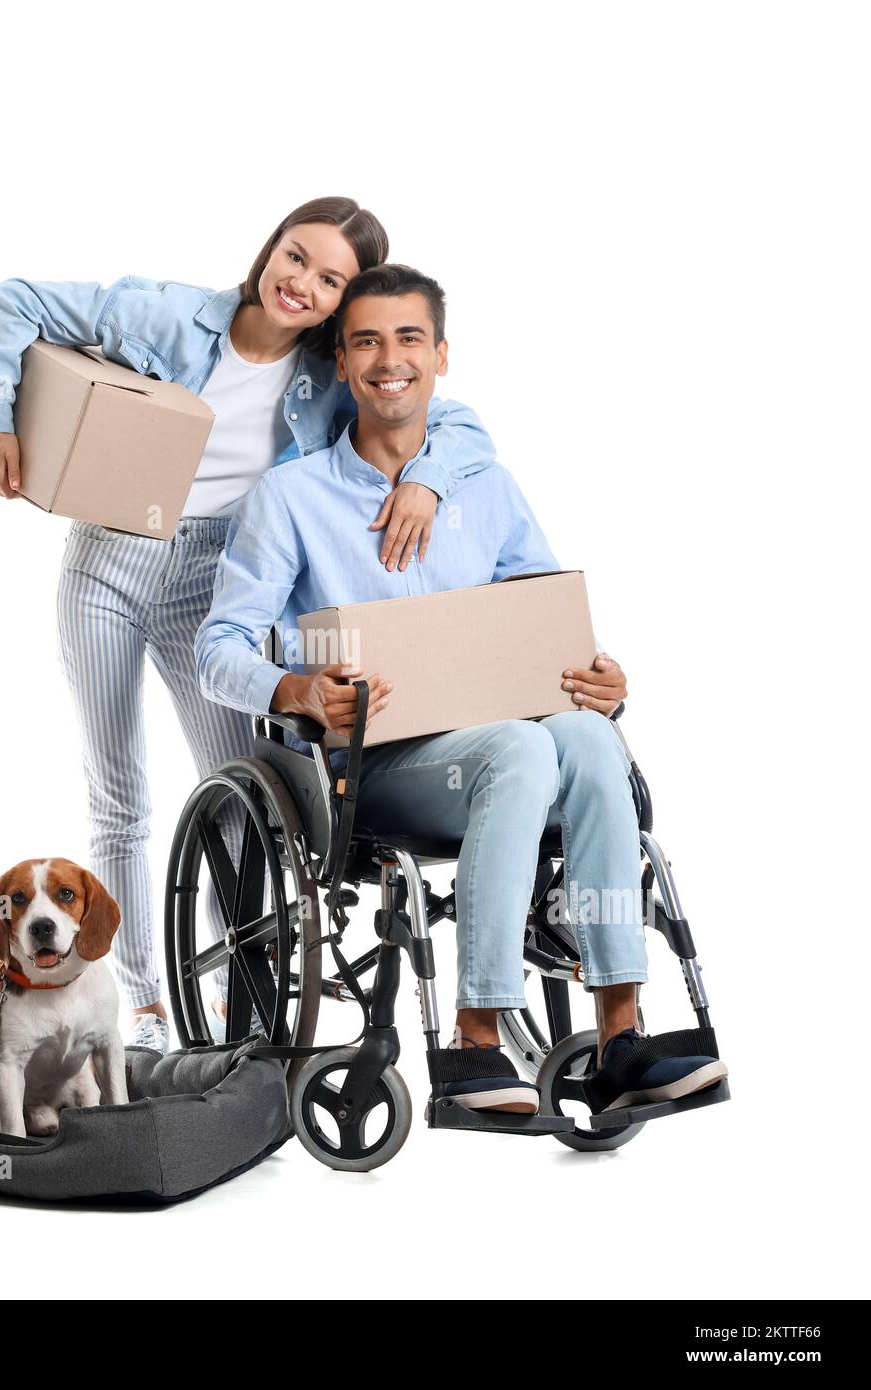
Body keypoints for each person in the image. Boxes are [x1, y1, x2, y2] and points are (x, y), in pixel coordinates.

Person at [195, 263, 730, 1113]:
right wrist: (295, 687)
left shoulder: (484, 486)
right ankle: (474, 1042)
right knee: (519, 747)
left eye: (409, 339)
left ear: (441, 355)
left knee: (590, 739)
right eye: (367, 342)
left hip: (503, 741)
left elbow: (544, 614)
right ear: (342, 362)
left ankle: (620, 1033)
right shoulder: (291, 498)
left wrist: (599, 673)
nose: (389, 360)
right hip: (376, 769)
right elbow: (216, 648)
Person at [0, 201, 499, 1052]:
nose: (301, 284)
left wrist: (427, 479)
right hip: (109, 560)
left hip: (212, 579)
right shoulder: (170, 315)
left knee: (239, 795)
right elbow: (12, 301)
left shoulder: (332, 376)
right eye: (296, 257)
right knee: (120, 795)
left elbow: (458, 421)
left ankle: (231, 985)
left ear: (344, 301)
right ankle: (142, 1007)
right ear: (269, 249)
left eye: (330, 280)